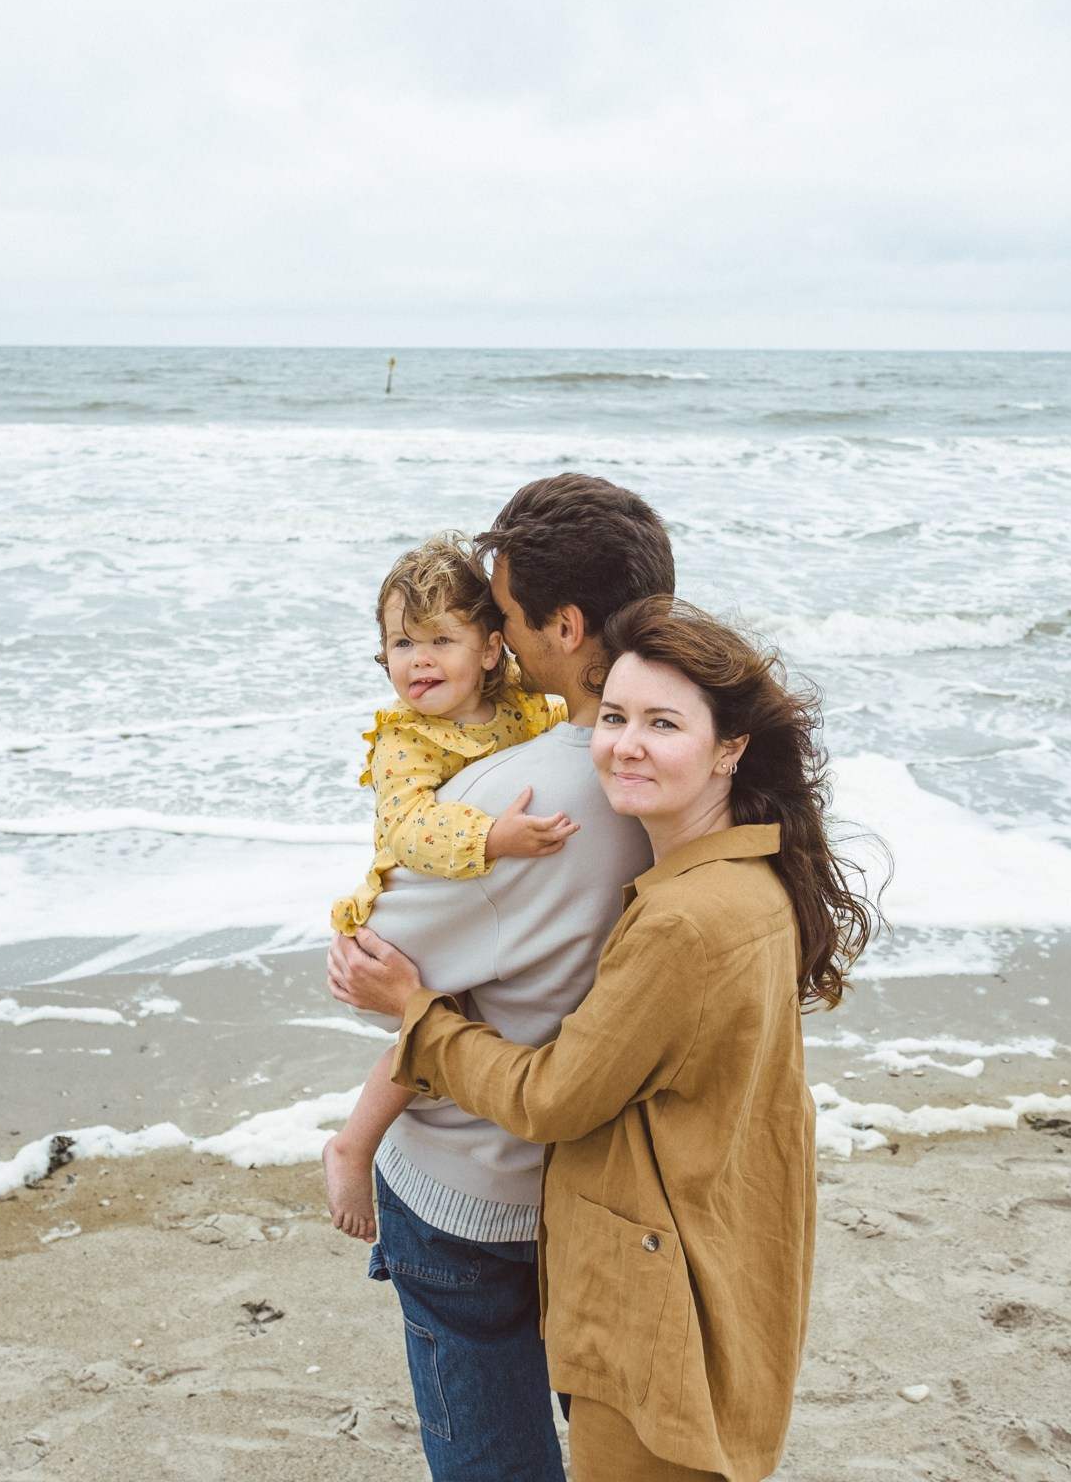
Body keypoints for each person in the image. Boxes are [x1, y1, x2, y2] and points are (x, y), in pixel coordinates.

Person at [331, 597, 877, 1481]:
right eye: (614, 717)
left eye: (662, 724)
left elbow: (552, 1098)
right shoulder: (749, 874)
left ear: (730, 747)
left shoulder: (684, 922)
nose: (623, 744)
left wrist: (416, 1009)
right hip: (718, 1245)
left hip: (656, 1272)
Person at [340, 475, 674, 1481]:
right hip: (610, 1183)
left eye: (507, 618)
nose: (501, 637)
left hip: (471, 1192)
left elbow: (374, 964)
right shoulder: (687, 766)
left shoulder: (521, 794)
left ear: (562, 626)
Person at [322, 532, 579, 1242]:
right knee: (434, 1020)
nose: (420, 660)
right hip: (419, 907)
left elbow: (570, 729)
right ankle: (354, 1142)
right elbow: (409, 827)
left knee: (472, 1023)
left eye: (441, 639)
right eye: (402, 644)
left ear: (492, 649)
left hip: (479, 910)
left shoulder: (525, 706)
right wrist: (495, 838)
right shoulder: (405, 739)